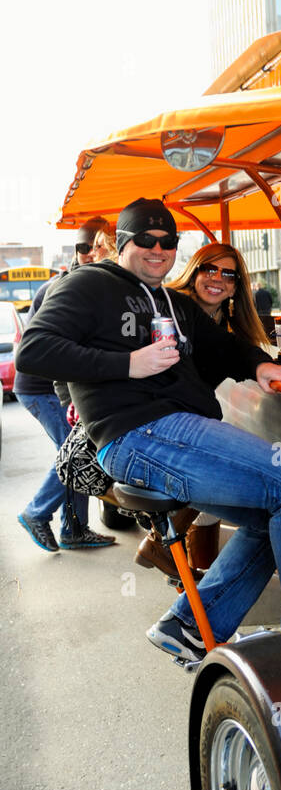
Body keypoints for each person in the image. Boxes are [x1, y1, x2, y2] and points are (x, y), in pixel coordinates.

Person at [16, 197, 281, 666]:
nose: (158, 250)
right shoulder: (89, 284)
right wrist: (127, 364)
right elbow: (34, 352)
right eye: (146, 241)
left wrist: (260, 365)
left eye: (168, 243)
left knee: (278, 517)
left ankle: (187, 625)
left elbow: (224, 346)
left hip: (172, 429)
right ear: (123, 243)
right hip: (139, 431)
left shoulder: (171, 300)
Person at [132, 242, 274, 581]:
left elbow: (239, 355)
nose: (218, 279)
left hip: (188, 427)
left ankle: (193, 581)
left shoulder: (226, 325)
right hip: (145, 431)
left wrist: (264, 364)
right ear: (194, 271)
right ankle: (170, 556)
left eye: (229, 274)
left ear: (237, 286)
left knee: (231, 475)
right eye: (210, 269)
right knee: (237, 474)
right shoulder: (167, 310)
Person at [14, 221, 116, 552]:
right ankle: (38, 513)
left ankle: (73, 528)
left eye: (96, 247)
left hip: (60, 388)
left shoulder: (97, 282)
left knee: (77, 455)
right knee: (76, 457)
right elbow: (54, 350)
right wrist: (70, 400)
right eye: (83, 248)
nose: (88, 254)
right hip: (42, 389)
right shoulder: (66, 286)